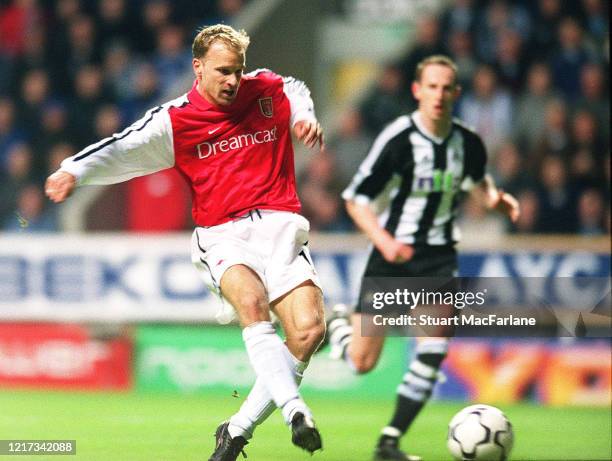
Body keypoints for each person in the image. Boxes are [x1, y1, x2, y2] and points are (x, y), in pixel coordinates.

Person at [45, 24, 326, 461]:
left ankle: (235, 432)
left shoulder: (265, 89)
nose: (233, 80)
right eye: (223, 71)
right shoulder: (175, 121)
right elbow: (123, 147)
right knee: (251, 305)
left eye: (238, 70)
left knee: (309, 331)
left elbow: (295, 87)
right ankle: (295, 411)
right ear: (197, 67)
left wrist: (302, 115)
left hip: (281, 225)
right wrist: (74, 171)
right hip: (224, 235)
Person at [327, 55, 519, 461]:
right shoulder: (398, 139)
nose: (439, 94)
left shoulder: (467, 142)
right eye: (431, 86)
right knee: (362, 362)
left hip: (438, 258)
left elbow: (478, 182)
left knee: (432, 349)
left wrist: (497, 200)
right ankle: (340, 329)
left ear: (456, 93)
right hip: (390, 257)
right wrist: (384, 241)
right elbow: (356, 199)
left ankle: (389, 442)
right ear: (417, 91)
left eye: (446, 87)